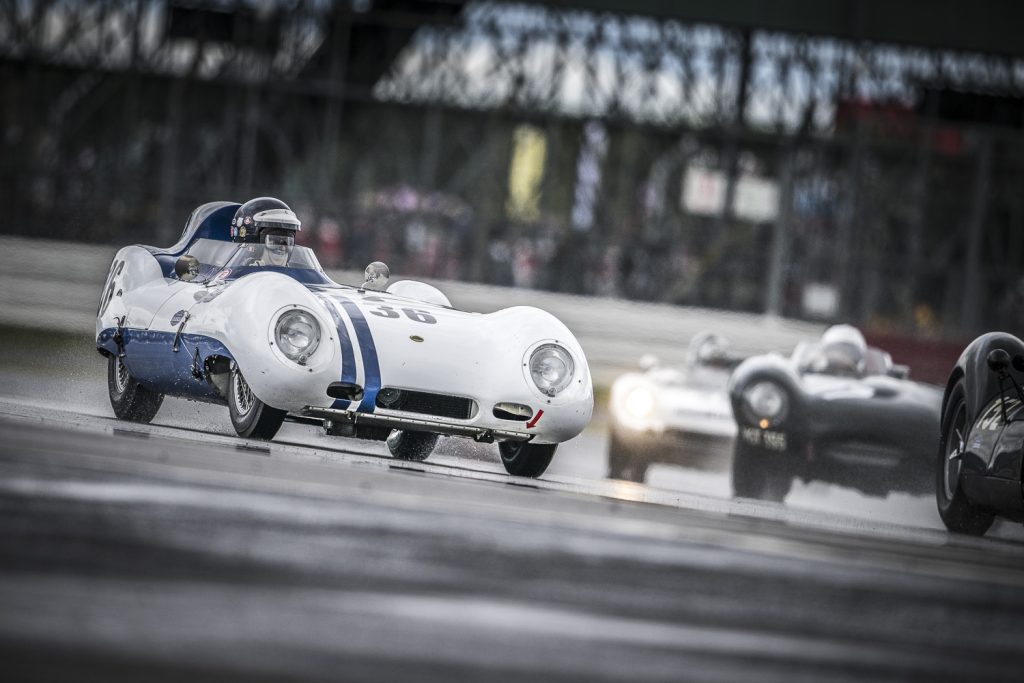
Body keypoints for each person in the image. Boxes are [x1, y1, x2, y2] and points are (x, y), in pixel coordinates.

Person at [230, 197, 301, 267]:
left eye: (289, 242)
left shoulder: (295, 276)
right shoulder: (235, 276)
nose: (283, 247)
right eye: (275, 240)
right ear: (251, 241)